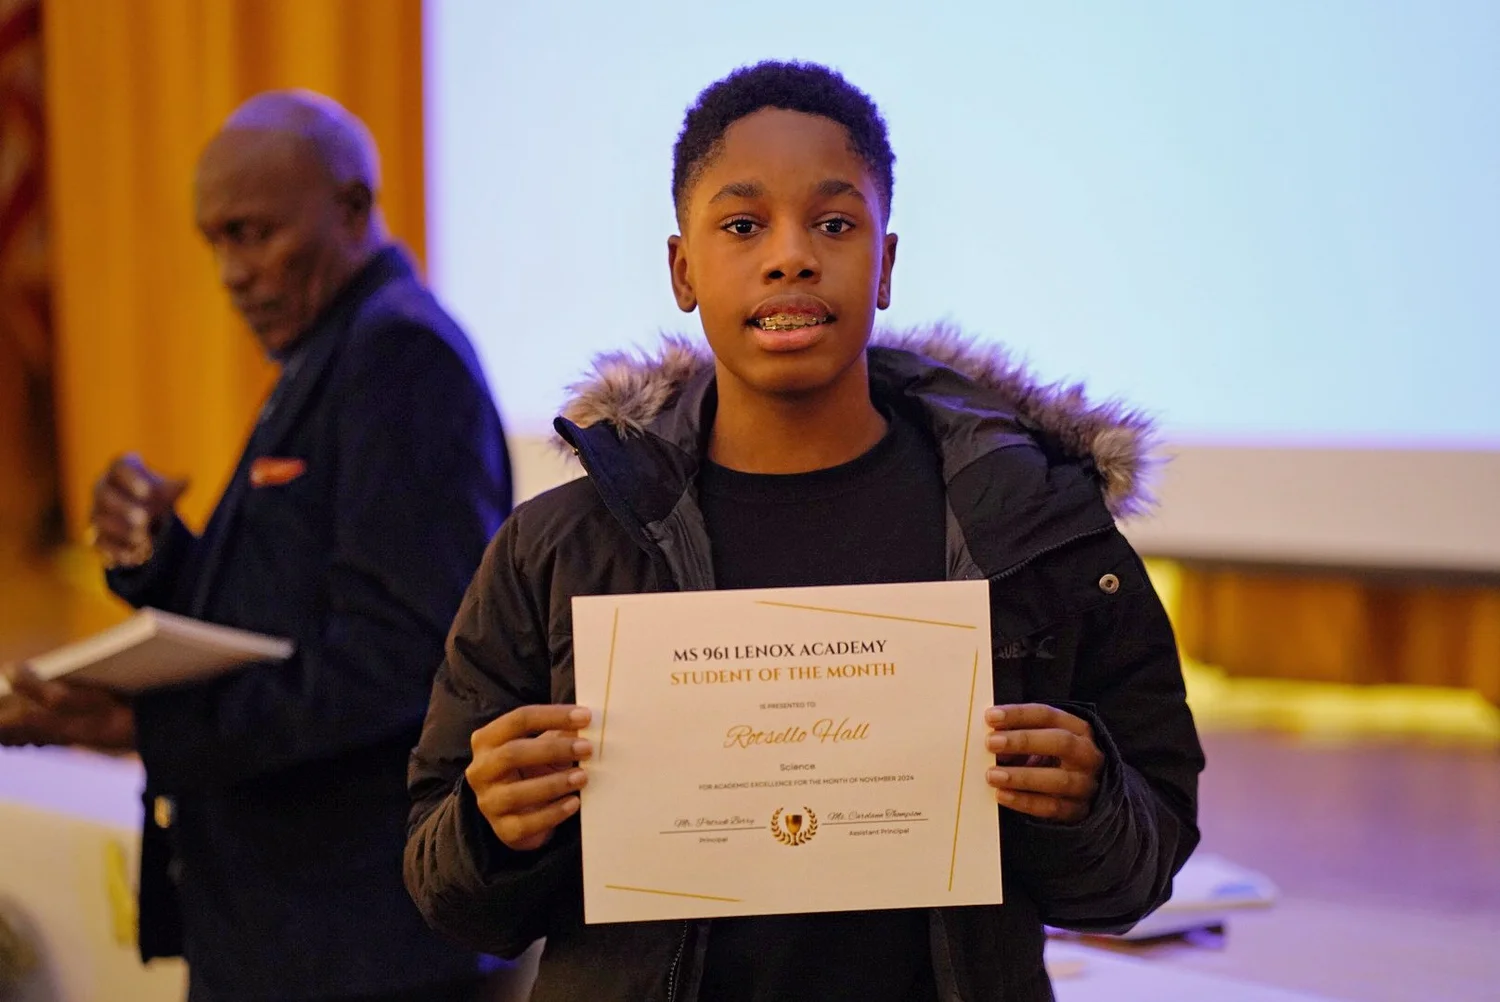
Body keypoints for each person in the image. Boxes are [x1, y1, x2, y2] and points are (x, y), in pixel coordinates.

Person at [402, 62, 1203, 1002]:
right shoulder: (557, 550)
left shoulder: (1038, 534)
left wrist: (1089, 804)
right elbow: (445, 889)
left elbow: (1140, 871)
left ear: (886, 264)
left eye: (834, 223)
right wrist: (491, 825)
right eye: (743, 226)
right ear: (683, 270)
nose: (791, 257)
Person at [0, 91, 512, 1002]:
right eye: (216, 242)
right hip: (295, 933)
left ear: (352, 208)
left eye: (254, 234)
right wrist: (159, 557)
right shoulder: (335, 348)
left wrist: (141, 727)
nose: (232, 273)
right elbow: (285, 619)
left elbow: (400, 662)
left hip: (356, 947)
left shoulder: (399, 358)